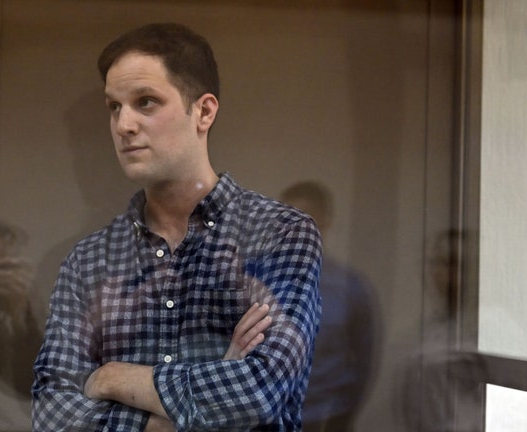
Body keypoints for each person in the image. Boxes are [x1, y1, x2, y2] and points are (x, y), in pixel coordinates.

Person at [31, 23, 322, 431]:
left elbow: (260, 390)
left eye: (145, 102)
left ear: (203, 111)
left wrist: (112, 378)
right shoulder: (90, 260)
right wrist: (192, 406)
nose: (123, 125)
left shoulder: (278, 233)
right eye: (114, 106)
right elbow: (51, 411)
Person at [281, 181, 379, 432]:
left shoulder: (351, 288)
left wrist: (343, 416)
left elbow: (365, 362)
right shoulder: (256, 283)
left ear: (323, 221)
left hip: (329, 418)